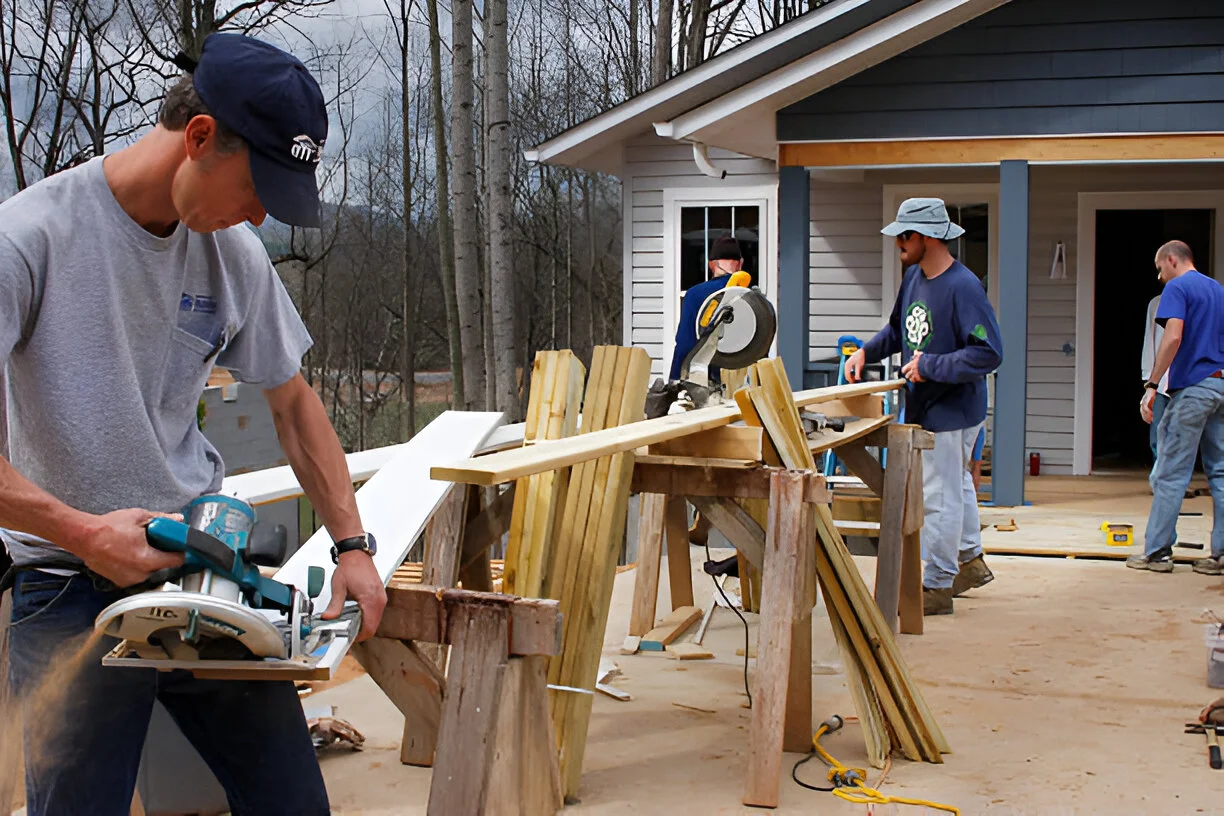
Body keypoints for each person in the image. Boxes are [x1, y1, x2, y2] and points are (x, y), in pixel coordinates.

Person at [0, 33, 386, 815]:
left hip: (200, 577)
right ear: (201, 138)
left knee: (293, 805)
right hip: (67, 588)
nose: (258, 215)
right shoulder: (28, 241)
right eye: (256, 191)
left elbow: (294, 405)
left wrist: (353, 547)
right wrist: (82, 534)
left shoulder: (230, 256)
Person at [845, 198, 1003, 615]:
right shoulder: (914, 276)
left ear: (929, 237)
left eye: (906, 235)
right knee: (957, 488)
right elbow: (900, 329)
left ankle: (937, 584)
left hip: (952, 409)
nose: (899, 242)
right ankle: (970, 561)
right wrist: (866, 352)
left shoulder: (963, 286)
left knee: (940, 495)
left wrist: (930, 366)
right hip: (929, 406)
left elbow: (989, 353)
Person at [1127, 241, 1224, 575]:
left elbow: (1172, 337)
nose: (1159, 275)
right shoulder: (1218, 290)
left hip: (1193, 388)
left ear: (1172, 260)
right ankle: (1220, 556)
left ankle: (1157, 553)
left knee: (1171, 473)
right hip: (1220, 386)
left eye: (1159, 267)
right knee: (1221, 472)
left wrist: (1153, 384)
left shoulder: (1177, 287)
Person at [668, 235, 745, 381]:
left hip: (706, 380)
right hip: (743, 383)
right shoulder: (752, 297)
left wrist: (675, 381)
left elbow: (685, 344)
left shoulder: (695, 295)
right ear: (740, 264)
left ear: (711, 264)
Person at [1141, 294, 1172, 467]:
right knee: (1158, 434)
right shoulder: (1157, 303)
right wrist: (1148, 380)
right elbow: (1150, 339)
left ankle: (1178, 482)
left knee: (1183, 436)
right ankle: (1159, 480)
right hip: (1161, 381)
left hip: (1190, 381)